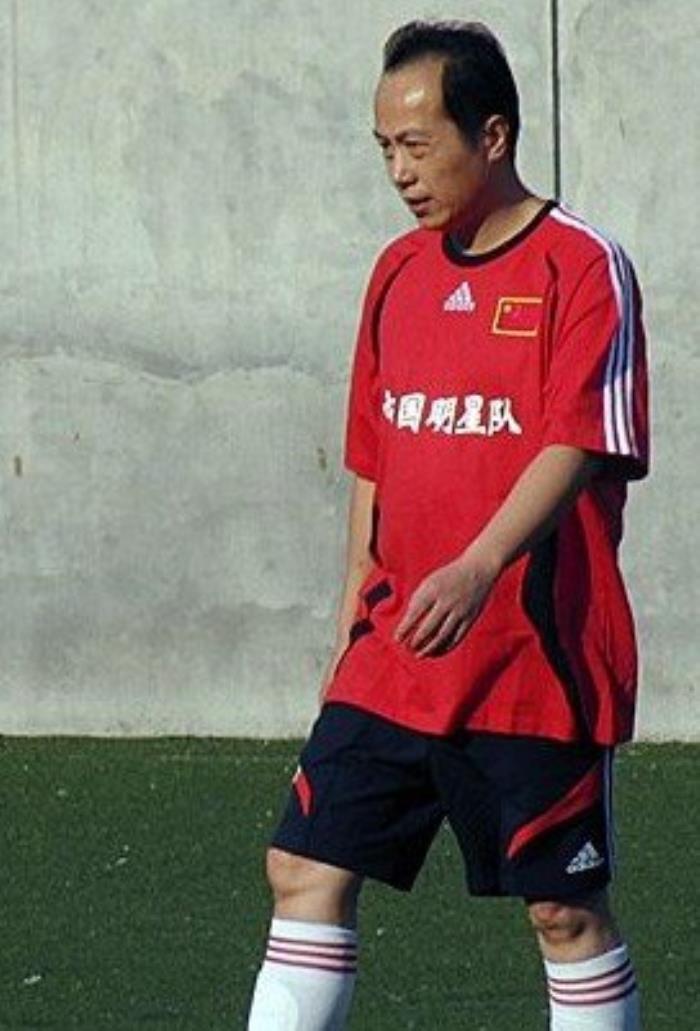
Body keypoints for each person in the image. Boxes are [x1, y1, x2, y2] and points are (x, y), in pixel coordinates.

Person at [247, 19, 648, 1030]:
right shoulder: (396, 272)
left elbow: (579, 440)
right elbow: (373, 460)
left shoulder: (581, 266)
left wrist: (479, 566)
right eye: (385, 146)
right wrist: (350, 624)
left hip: (532, 659)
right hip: (393, 655)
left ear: (493, 134)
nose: (399, 171)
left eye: (417, 145)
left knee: (562, 909)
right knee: (303, 864)